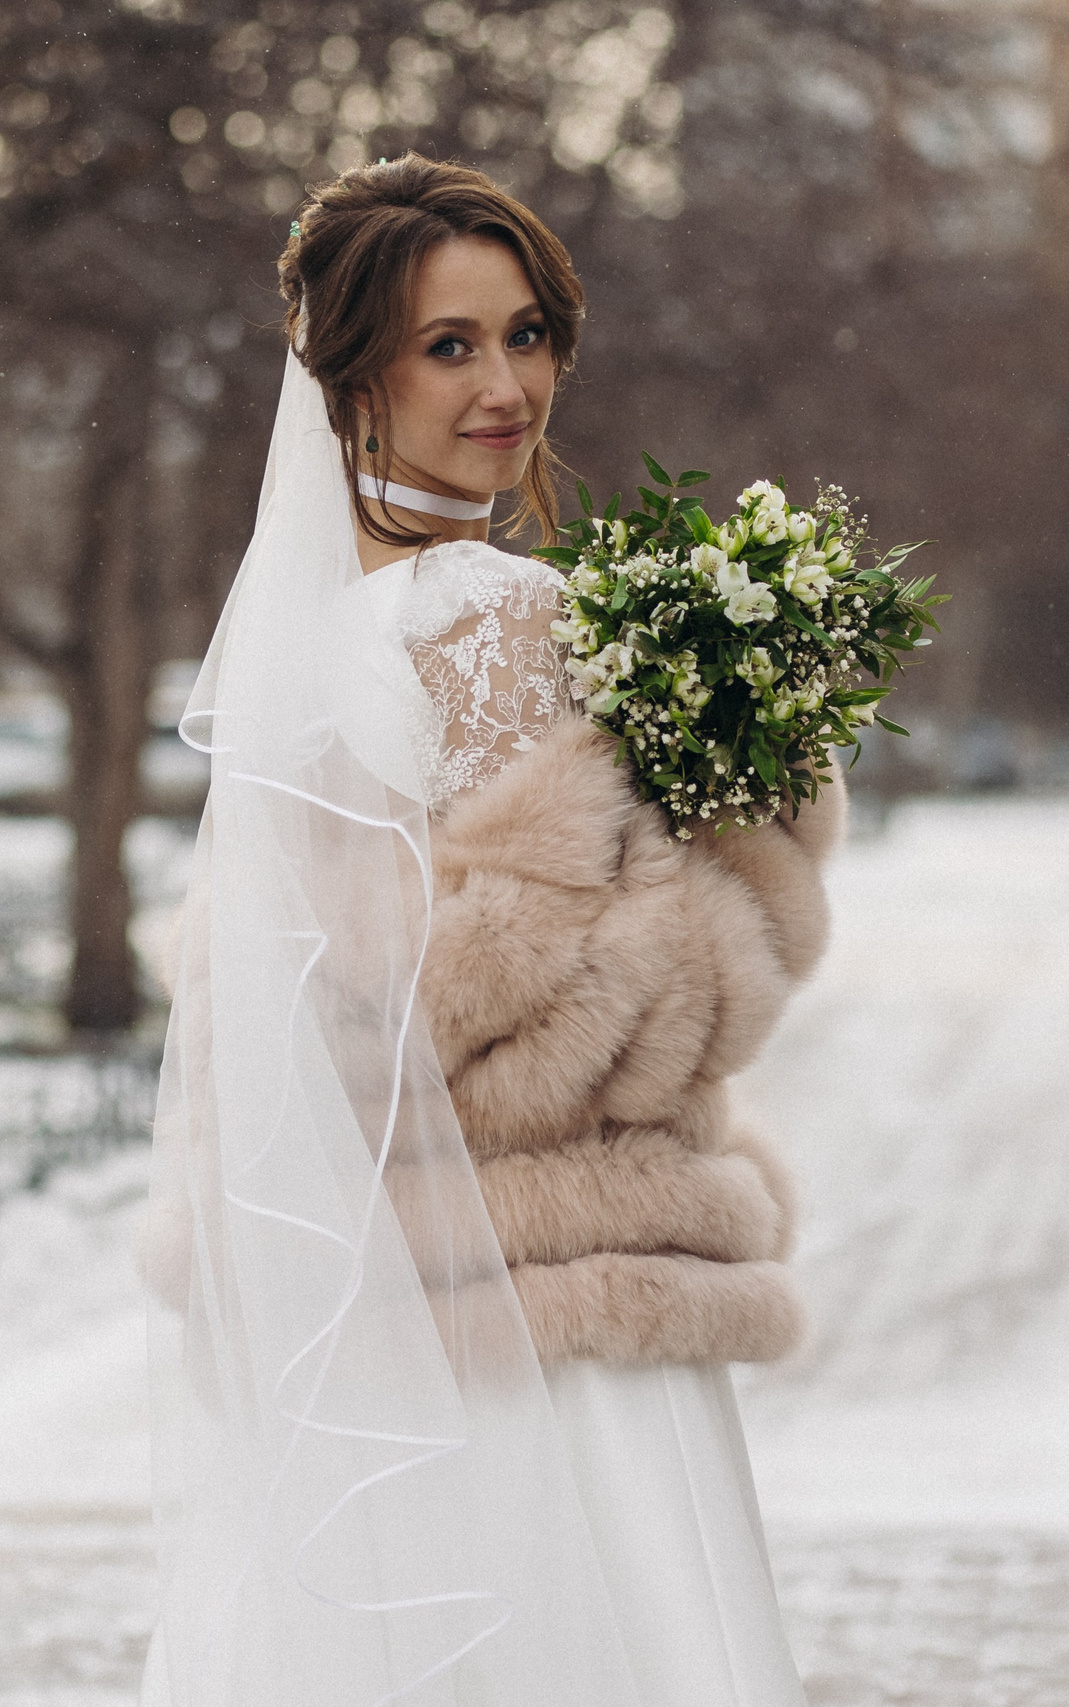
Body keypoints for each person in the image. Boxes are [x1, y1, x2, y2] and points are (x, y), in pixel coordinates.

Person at [140, 155, 840, 1706]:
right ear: (354, 383)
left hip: (385, 1324)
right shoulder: (503, 619)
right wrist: (766, 829)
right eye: (449, 345)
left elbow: (321, 998)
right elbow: (633, 1020)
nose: (507, 383)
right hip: (553, 1313)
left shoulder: (301, 646)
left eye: (525, 335)